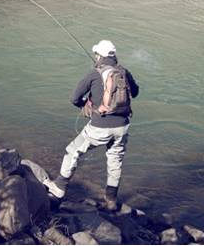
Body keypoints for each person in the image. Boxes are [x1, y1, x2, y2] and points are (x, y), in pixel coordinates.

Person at [43, 40, 139, 211]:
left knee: (73, 151)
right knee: (115, 161)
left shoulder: (94, 74)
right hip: (122, 126)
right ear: (113, 55)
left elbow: (73, 98)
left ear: (98, 56)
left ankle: (58, 189)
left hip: (99, 127)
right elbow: (136, 92)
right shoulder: (123, 72)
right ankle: (111, 201)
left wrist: (85, 105)